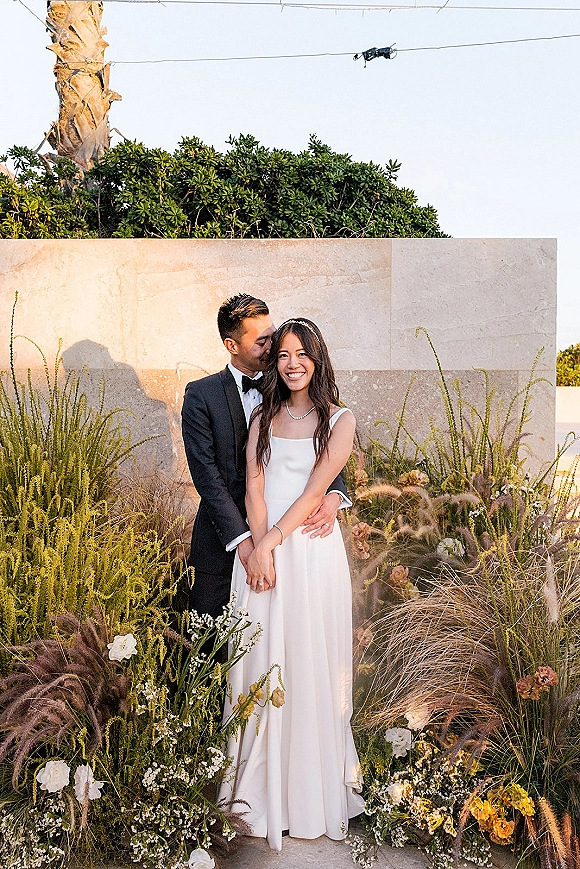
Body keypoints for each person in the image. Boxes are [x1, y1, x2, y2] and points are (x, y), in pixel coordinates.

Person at [219, 318, 365, 851]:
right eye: (282, 354)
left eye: (302, 353)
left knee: (307, 666)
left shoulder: (341, 420)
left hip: (309, 556)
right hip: (263, 558)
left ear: (317, 357)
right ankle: (260, 795)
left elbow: (314, 490)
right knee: (260, 669)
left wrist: (272, 542)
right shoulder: (263, 414)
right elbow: (254, 486)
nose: (291, 362)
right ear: (274, 363)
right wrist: (257, 550)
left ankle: (307, 796)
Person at [181, 294, 349, 618]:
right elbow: (207, 478)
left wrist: (334, 492)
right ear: (232, 345)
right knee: (212, 649)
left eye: (272, 335)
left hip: (289, 539)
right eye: (262, 341)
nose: (273, 347)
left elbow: (320, 441)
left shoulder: (292, 381)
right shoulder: (202, 396)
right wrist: (246, 542)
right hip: (224, 542)